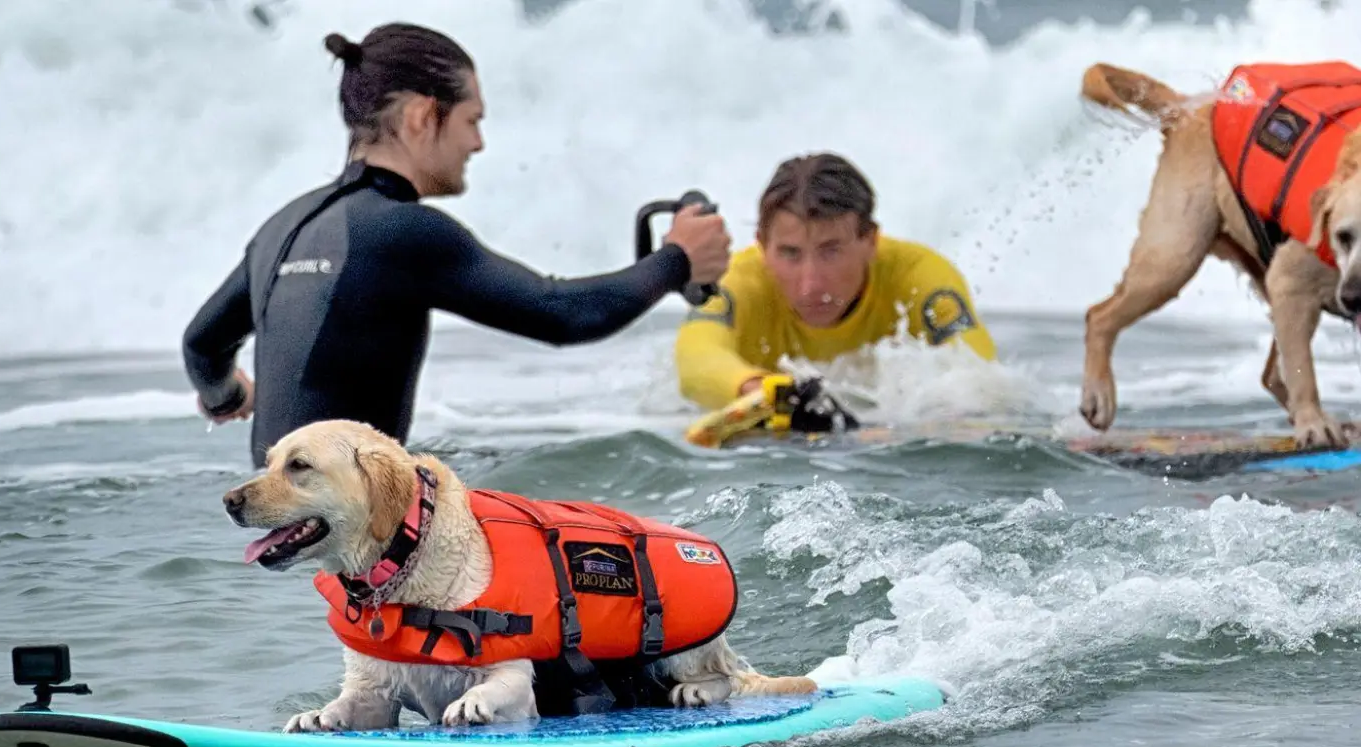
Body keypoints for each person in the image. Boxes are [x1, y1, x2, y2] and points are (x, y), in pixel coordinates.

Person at [183, 23, 731, 468]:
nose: (478, 142)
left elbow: (202, 345)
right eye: (472, 120)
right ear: (424, 116)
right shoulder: (404, 231)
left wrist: (228, 397)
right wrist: (676, 259)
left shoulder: (284, 226)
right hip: (350, 537)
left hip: (277, 527)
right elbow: (564, 313)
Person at [674, 152, 996, 427]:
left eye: (831, 251)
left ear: (870, 241)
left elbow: (978, 376)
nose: (811, 284)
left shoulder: (919, 276)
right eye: (790, 253)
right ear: (762, 245)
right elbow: (695, 362)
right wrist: (769, 393)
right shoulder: (736, 280)